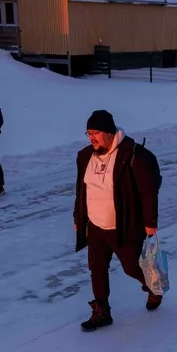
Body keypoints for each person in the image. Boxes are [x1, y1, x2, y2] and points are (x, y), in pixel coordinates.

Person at [74, 110, 163, 332]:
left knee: (132, 267)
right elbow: (81, 191)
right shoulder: (85, 156)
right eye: (88, 133)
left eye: (95, 133)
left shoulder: (134, 155)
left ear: (109, 132)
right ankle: (101, 311)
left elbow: (148, 191)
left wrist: (150, 220)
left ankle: (153, 287)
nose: (91, 137)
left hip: (123, 226)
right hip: (95, 225)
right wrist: (79, 216)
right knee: (97, 268)